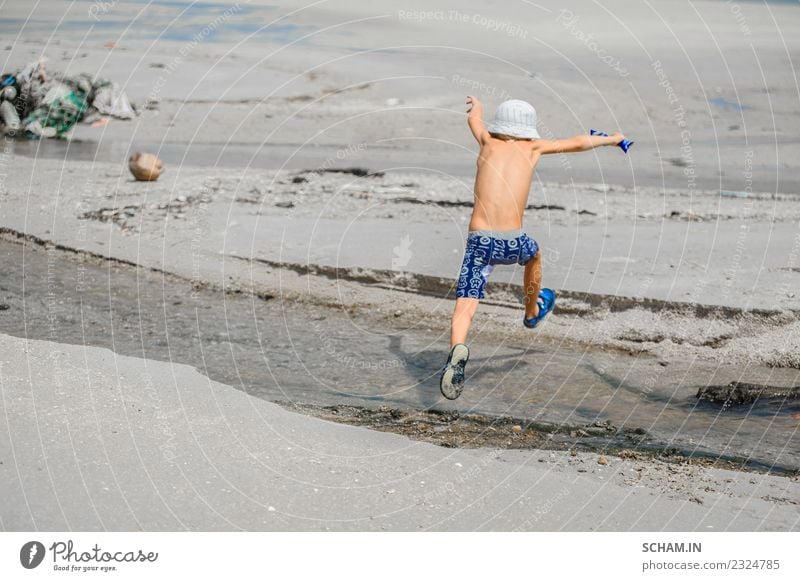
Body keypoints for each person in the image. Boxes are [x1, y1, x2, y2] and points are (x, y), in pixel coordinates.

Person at [440, 97, 628, 399]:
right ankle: (531, 311)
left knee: (466, 303)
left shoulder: (487, 141)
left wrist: (476, 105)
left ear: (499, 125)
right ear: (528, 129)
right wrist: (612, 140)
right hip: (513, 241)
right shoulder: (533, 147)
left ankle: (457, 349)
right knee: (534, 254)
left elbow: (473, 120)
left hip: (479, 242)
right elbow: (578, 143)